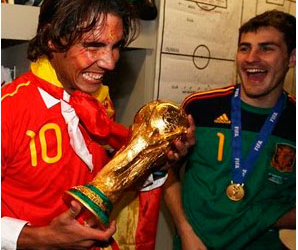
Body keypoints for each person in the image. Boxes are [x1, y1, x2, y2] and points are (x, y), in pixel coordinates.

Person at [1, 0, 196, 249]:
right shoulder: (8, 110)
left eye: (116, 47)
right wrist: (41, 237)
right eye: (94, 46)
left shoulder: (99, 102)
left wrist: (154, 161)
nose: (110, 62)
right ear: (52, 38)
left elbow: (105, 186)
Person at [164, 9, 296, 250]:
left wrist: (260, 216)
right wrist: (185, 231)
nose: (251, 58)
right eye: (244, 48)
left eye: (266, 48)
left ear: (292, 58)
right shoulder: (200, 107)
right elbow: (166, 173)